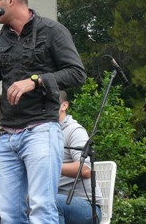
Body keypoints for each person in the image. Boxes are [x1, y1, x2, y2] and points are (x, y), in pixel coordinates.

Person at [0, 0, 86, 223]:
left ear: (10, 0)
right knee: (8, 214)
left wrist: (35, 80)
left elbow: (77, 73)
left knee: (41, 207)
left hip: (40, 129)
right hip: (7, 136)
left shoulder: (52, 31)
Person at [56, 90, 103, 224]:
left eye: (51, 103)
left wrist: (50, 166)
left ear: (64, 106)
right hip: (59, 200)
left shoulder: (74, 130)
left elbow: (85, 169)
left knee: (49, 203)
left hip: (87, 206)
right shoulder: (44, 133)